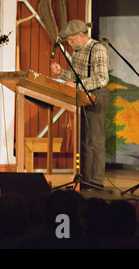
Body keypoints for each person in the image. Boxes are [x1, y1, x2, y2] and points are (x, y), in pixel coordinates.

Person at [50, 20, 110, 190]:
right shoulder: (77, 51)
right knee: (84, 140)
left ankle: (96, 182)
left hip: (97, 95)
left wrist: (77, 85)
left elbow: (102, 78)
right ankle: (85, 179)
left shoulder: (97, 49)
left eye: (70, 39)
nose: (68, 43)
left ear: (81, 35)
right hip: (83, 96)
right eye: (67, 40)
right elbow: (76, 76)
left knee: (94, 140)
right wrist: (61, 72)